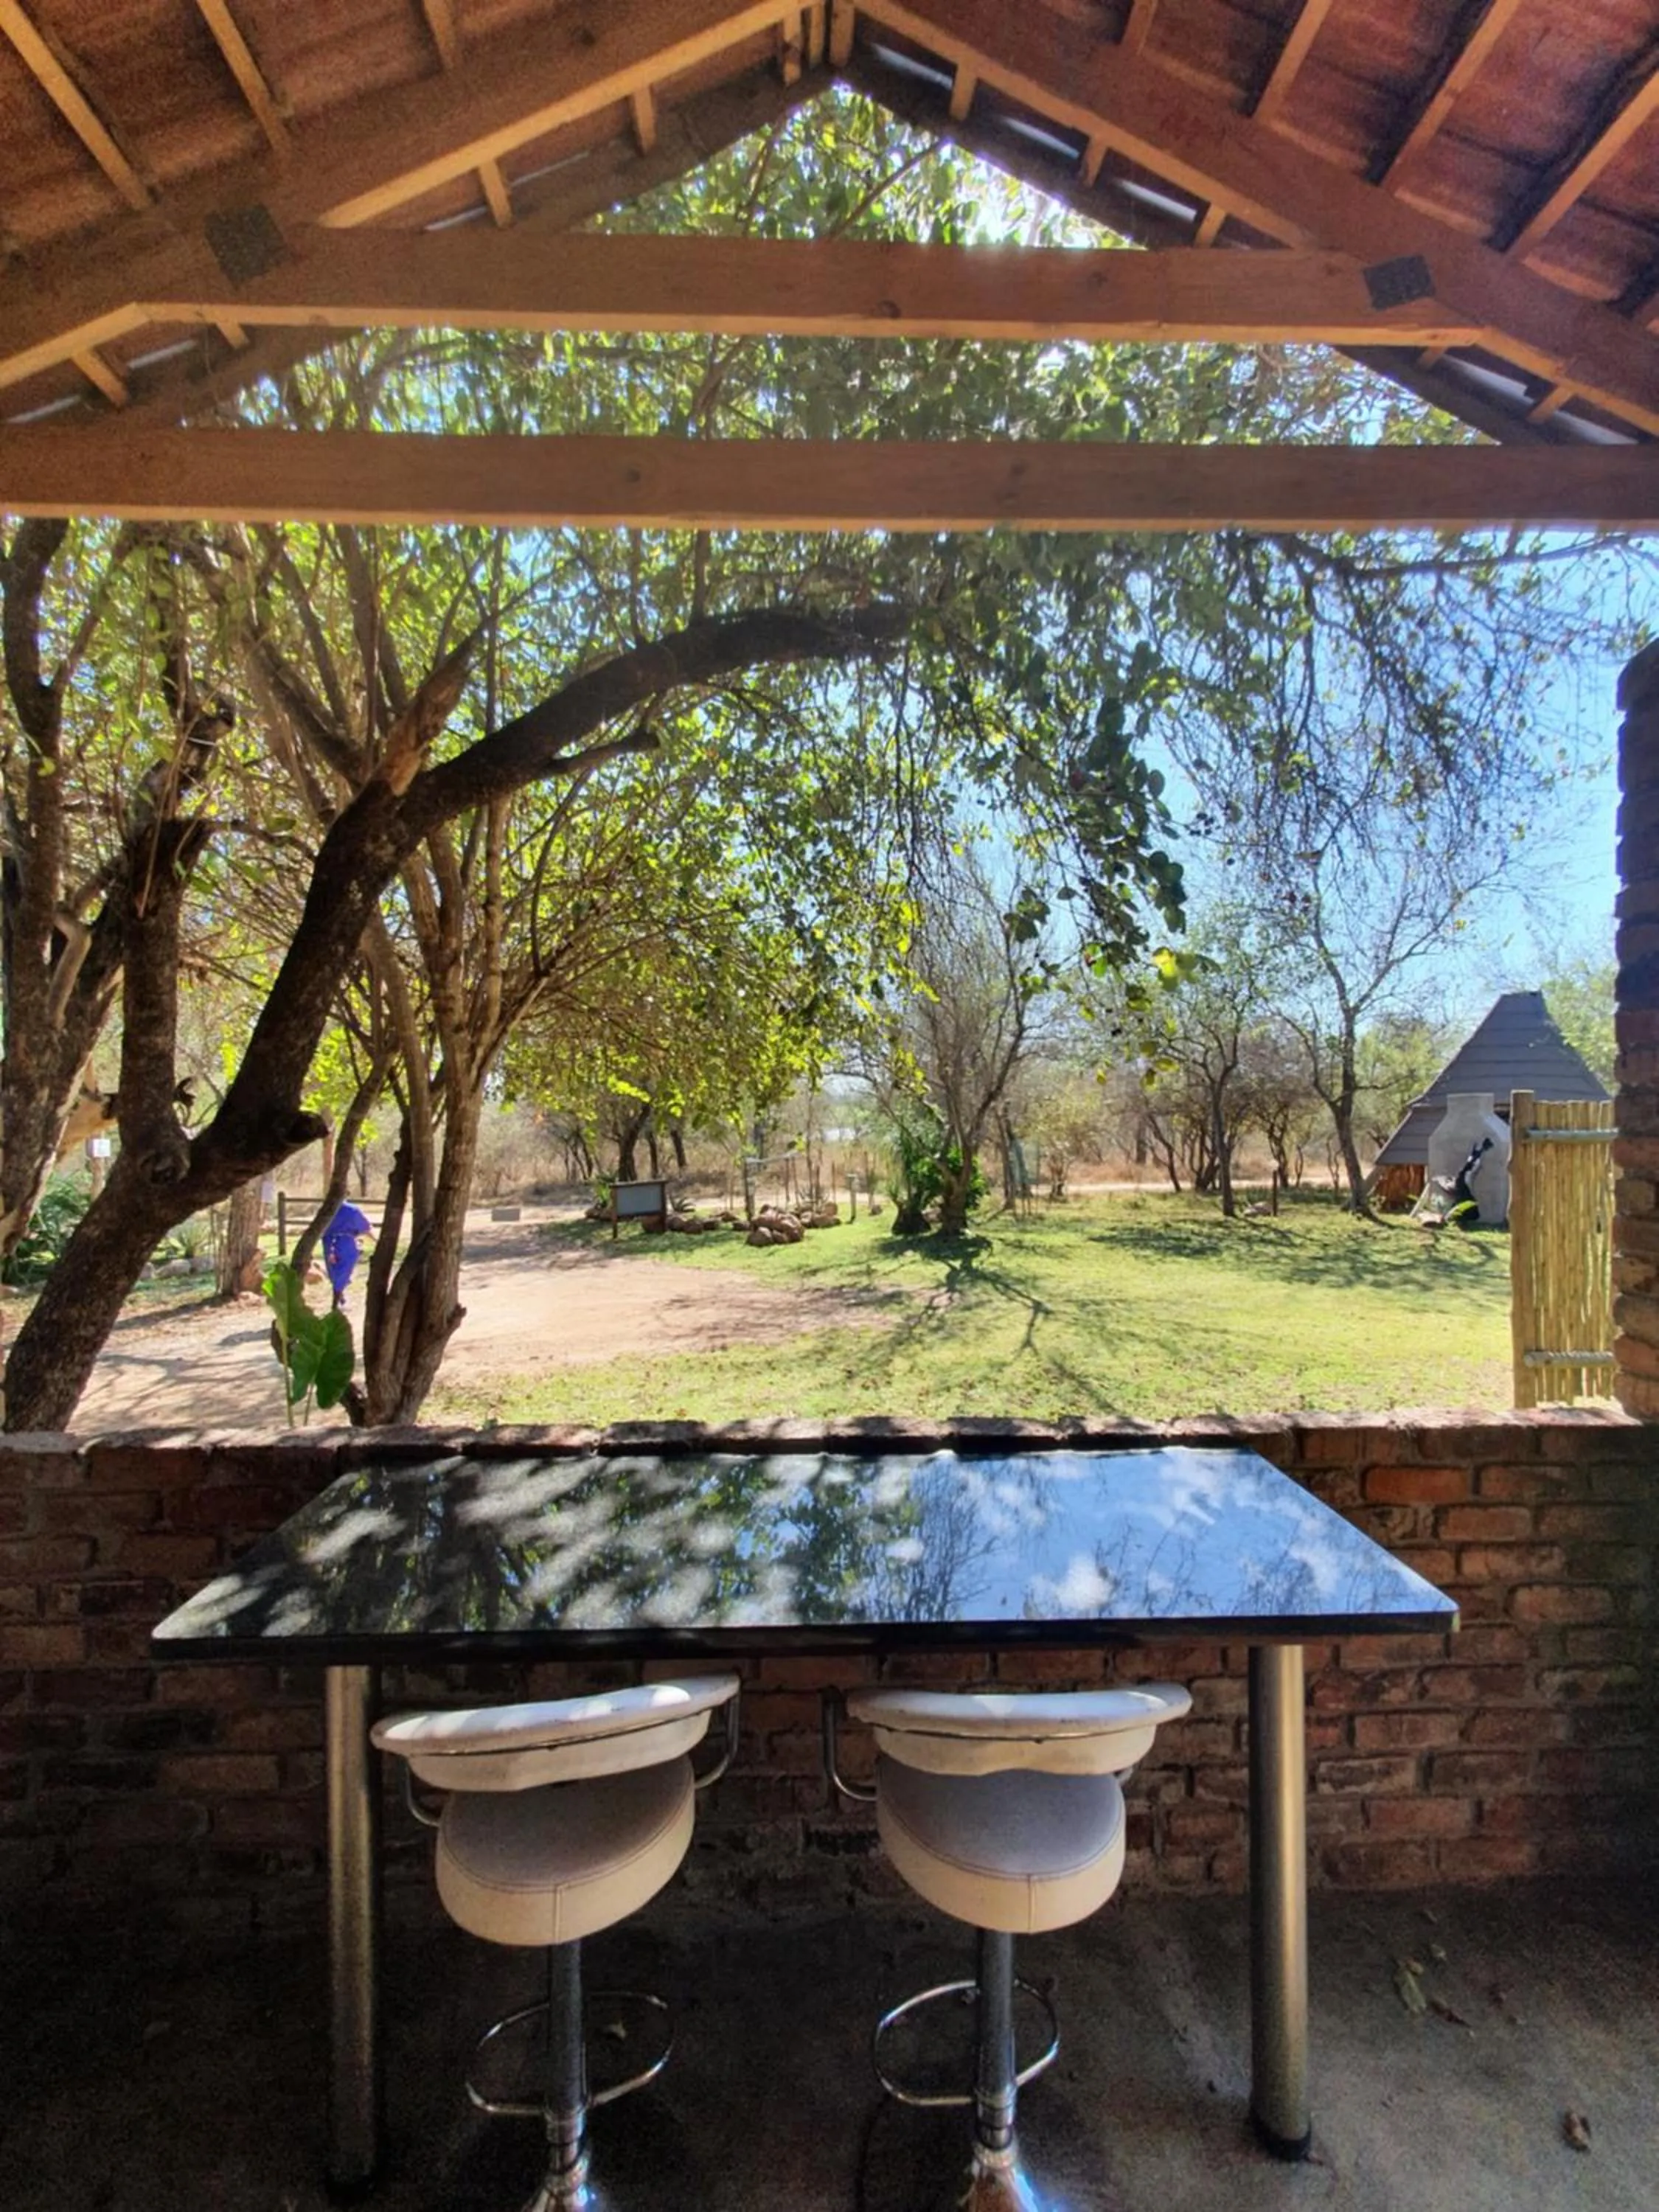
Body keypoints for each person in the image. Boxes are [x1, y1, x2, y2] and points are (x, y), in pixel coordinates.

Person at [321, 1200, 373, 1307]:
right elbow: (365, 1227)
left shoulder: (326, 1209)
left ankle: (339, 1295)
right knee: (345, 1269)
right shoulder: (352, 1210)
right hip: (346, 1242)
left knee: (334, 1270)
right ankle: (336, 1300)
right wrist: (375, 1240)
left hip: (329, 1242)